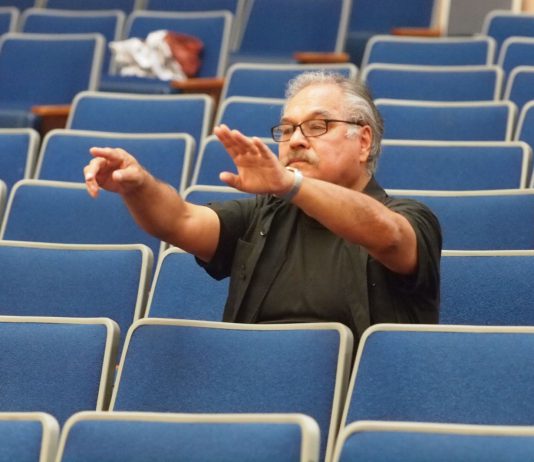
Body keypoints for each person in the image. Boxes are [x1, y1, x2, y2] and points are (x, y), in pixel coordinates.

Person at [84, 71, 441, 342]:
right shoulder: (261, 217)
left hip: (359, 399)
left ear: (363, 141)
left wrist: (291, 185)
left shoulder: (411, 217)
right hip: (254, 390)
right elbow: (179, 220)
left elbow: (389, 235)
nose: (296, 140)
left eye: (317, 126)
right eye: (286, 130)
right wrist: (139, 185)